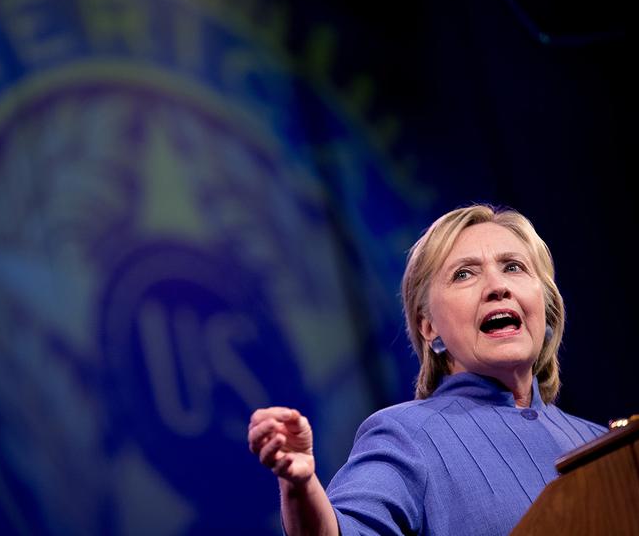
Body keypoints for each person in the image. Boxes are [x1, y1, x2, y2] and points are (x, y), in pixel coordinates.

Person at [248, 204, 607, 535]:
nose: (498, 287)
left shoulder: (603, 443)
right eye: (464, 274)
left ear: (545, 307)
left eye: (513, 267)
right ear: (429, 328)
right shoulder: (406, 435)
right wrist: (300, 486)